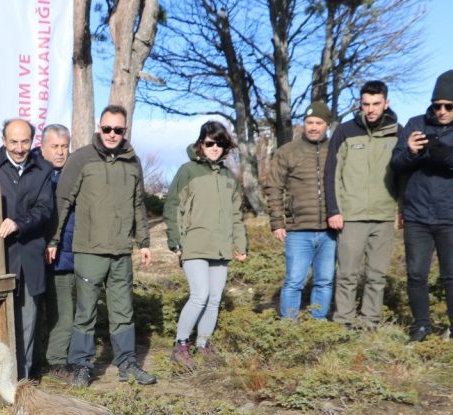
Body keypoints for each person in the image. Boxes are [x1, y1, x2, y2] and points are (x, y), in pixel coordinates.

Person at [53, 104, 155, 387]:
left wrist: (144, 242)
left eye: (117, 130)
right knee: (85, 312)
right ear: (99, 127)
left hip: (121, 251)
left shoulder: (133, 162)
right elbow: (63, 201)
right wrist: (53, 239)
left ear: (125, 130)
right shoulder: (81, 158)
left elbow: (138, 204)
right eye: (107, 128)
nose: (112, 134)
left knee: (123, 311)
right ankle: (81, 366)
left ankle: (127, 363)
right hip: (89, 250)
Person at [391, 70, 453, 342]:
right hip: (417, 214)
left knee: (452, 274)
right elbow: (396, 163)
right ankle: (421, 326)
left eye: (448, 106)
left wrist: (449, 156)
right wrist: (411, 151)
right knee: (416, 273)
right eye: (437, 106)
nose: (442, 111)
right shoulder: (415, 123)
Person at [0, 119, 54, 380]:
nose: (20, 148)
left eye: (25, 142)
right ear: (3, 140)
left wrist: (19, 223)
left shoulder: (43, 168)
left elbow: (45, 209)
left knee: (27, 322)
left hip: (29, 255)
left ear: (33, 141)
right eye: (14, 142)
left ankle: (22, 382)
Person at [163, 121, 247, 369]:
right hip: (195, 244)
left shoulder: (229, 177)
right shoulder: (188, 171)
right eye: (210, 143)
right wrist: (175, 241)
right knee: (200, 295)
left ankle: (203, 344)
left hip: (220, 247)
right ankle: (180, 345)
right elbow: (173, 206)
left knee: (214, 298)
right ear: (201, 144)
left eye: (220, 143)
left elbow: (236, 214)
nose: (215, 148)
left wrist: (240, 244)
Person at [325, 80, 401, 330]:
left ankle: (370, 321)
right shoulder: (344, 131)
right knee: (347, 274)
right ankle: (343, 321)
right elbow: (331, 173)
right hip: (351, 215)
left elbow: (404, 174)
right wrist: (334, 210)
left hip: (384, 215)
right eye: (366, 104)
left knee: (376, 275)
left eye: (376, 104)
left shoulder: (398, 132)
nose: (370, 109)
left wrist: (401, 209)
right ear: (360, 104)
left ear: (386, 103)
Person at [263, 101, 336, 320]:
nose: (313, 127)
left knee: (324, 281)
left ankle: (317, 325)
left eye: (318, 123)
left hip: (330, 230)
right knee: (294, 281)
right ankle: (289, 327)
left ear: (327, 125)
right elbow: (273, 187)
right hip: (298, 230)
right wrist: (277, 222)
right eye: (309, 122)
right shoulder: (287, 152)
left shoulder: (336, 150)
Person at [39, 124, 77, 381]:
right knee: (33, 313)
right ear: (43, 148)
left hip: (64, 254)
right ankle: (33, 360)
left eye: (64, 146)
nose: (60, 152)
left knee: (63, 312)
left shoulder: (74, 173)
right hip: (33, 255)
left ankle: (56, 361)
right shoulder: (32, 173)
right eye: (55, 146)